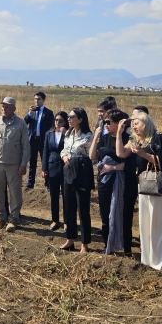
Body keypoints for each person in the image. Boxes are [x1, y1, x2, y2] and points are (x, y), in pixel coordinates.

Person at [117, 110, 162, 271]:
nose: (134, 127)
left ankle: (161, 264)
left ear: (146, 123)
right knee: (145, 224)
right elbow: (120, 153)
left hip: (159, 187)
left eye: (137, 123)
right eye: (132, 124)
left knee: (159, 224)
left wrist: (144, 154)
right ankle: (148, 260)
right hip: (144, 186)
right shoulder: (136, 141)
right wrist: (119, 133)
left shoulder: (159, 138)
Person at [0, 97, 30, 232]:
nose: (4, 109)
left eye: (7, 107)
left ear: (14, 108)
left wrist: (23, 164)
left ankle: (14, 219)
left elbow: (26, 146)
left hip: (14, 165)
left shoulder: (21, 123)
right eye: (3, 106)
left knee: (15, 193)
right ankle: (0, 218)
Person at [89, 109, 132, 255]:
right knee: (105, 216)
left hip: (121, 183)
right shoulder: (104, 138)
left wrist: (113, 167)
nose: (105, 124)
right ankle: (108, 247)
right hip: (104, 182)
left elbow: (130, 164)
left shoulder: (128, 138)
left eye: (108, 122)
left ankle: (126, 249)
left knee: (123, 216)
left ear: (119, 123)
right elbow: (93, 156)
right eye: (104, 122)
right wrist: (95, 138)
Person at [60, 108, 94, 253]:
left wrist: (75, 159)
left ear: (80, 119)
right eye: (68, 116)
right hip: (68, 173)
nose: (68, 119)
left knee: (83, 209)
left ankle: (84, 244)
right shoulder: (68, 134)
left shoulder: (88, 136)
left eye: (72, 116)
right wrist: (64, 157)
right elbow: (63, 150)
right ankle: (70, 239)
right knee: (69, 208)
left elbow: (93, 157)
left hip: (82, 174)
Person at [41, 111, 68, 230]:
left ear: (66, 122)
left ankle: (67, 221)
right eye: (56, 120)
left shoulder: (69, 133)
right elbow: (45, 152)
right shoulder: (49, 134)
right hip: (52, 168)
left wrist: (66, 134)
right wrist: (44, 168)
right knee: (54, 196)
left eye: (61, 120)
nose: (58, 122)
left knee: (67, 196)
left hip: (66, 167)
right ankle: (55, 220)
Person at [23, 92, 54, 189]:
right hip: (32, 140)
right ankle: (30, 183)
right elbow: (24, 123)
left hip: (43, 141)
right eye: (35, 99)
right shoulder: (31, 111)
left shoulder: (48, 113)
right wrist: (29, 113)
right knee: (32, 162)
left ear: (44, 100)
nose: (37, 101)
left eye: (39, 99)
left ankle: (47, 184)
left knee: (45, 162)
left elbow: (51, 128)